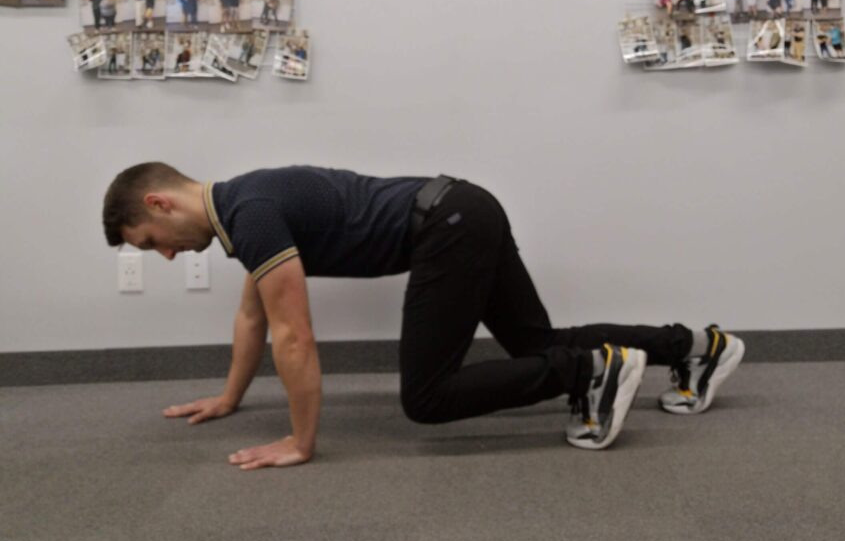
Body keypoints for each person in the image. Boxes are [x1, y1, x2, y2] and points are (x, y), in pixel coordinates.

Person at [102, 164, 746, 467]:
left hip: (448, 223)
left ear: (159, 203)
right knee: (537, 341)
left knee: (428, 397)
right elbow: (254, 319)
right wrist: (228, 397)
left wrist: (300, 443)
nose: (165, 256)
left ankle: (590, 372)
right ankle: (695, 347)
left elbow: (294, 336)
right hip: (463, 207)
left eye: (151, 243)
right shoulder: (244, 206)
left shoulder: (252, 214)